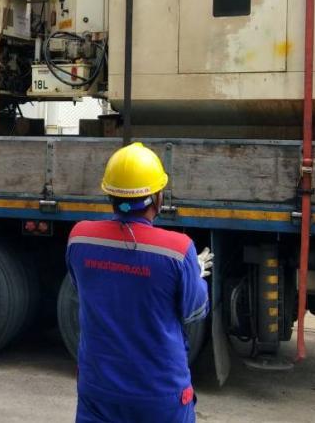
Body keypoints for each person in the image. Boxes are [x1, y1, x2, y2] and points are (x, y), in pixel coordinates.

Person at [66, 142, 213, 423]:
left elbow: (82, 288)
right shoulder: (178, 250)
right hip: (159, 393)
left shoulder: (80, 238)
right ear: (157, 198)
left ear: (109, 194)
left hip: (98, 389)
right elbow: (194, 311)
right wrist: (194, 274)